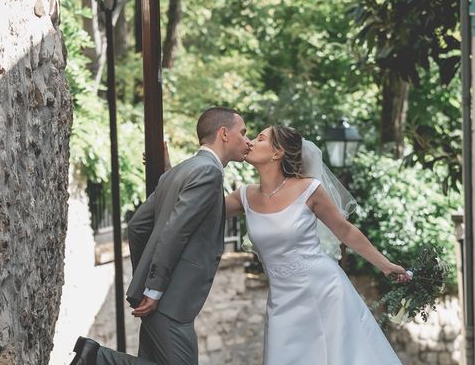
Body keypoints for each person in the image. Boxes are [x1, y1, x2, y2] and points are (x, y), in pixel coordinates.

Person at [70, 107, 251, 365]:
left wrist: (148, 279)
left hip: (162, 298)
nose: (247, 140)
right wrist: (154, 289)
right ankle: (97, 359)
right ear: (224, 133)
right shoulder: (208, 172)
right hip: (170, 302)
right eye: (242, 133)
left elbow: (138, 226)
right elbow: (175, 231)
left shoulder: (178, 172)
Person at [226, 125, 409, 365]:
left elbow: (345, 230)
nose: (249, 141)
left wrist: (385, 265)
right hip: (281, 300)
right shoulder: (244, 196)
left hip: (325, 290)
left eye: (259, 138)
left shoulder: (308, 188)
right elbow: (204, 208)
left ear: (277, 153)